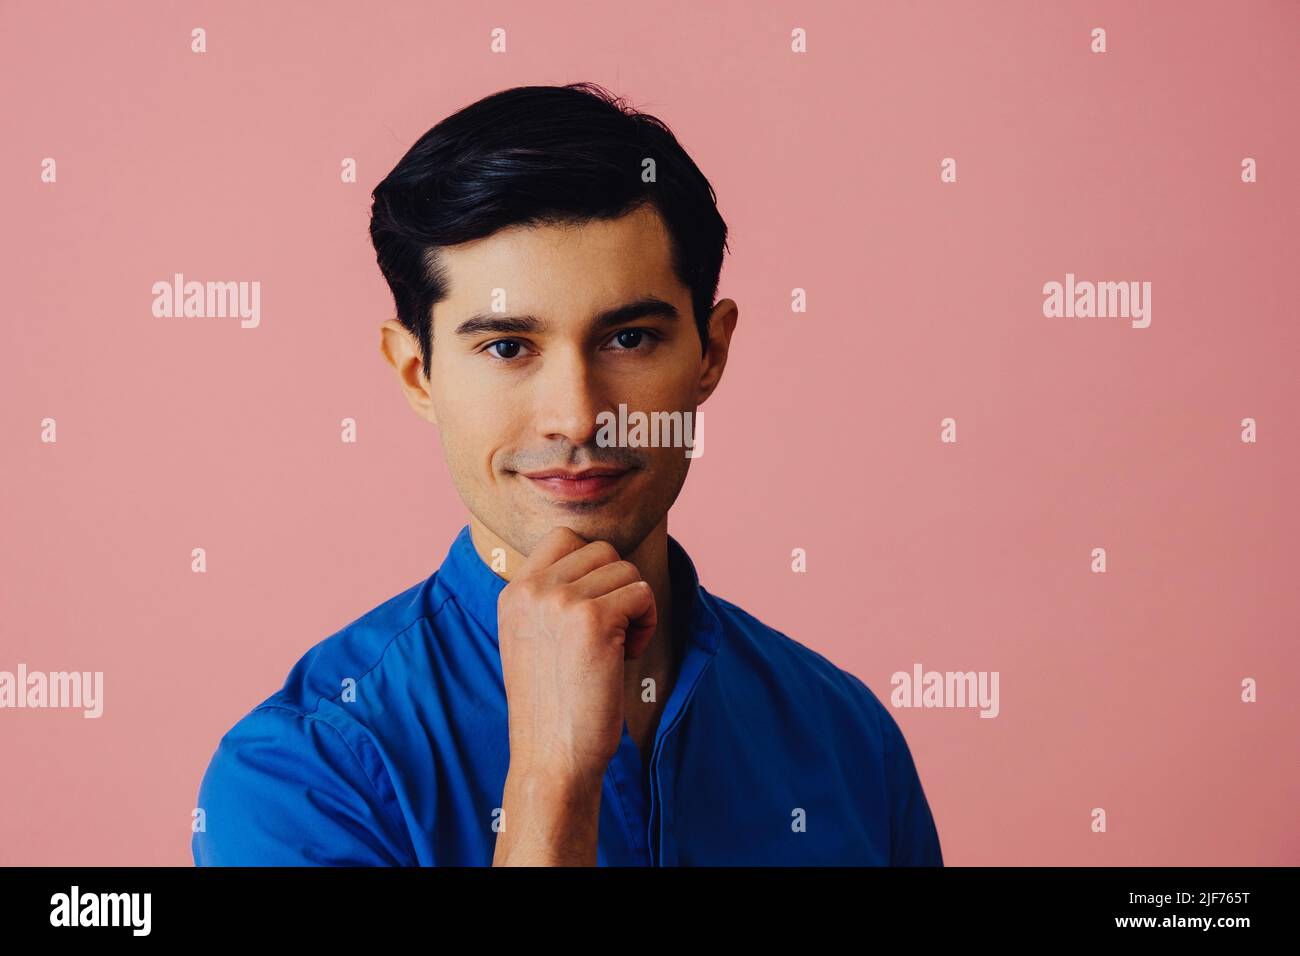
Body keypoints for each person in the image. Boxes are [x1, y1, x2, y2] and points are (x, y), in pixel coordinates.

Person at [191, 82, 942, 866]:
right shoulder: (301, 776)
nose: (579, 417)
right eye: (508, 348)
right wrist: (551, 780)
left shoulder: (846, 736)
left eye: (629, 339)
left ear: (711, 353)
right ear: (417, 373)